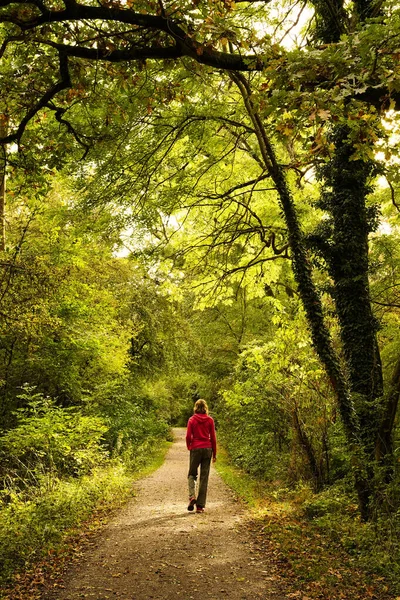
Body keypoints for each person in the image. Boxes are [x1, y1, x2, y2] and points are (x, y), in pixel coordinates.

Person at [186, 399, 217, 513]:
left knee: (192, 474)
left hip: (195, 448)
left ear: (195, 407)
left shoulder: (192, 420)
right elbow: (213, 438)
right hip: (207, 449)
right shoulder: (210, 420)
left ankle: (192, 496)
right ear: (205, 408)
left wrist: (189, 446)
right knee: (204, 477)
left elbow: (188, 436)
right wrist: (214, 453)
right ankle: (200, 506)